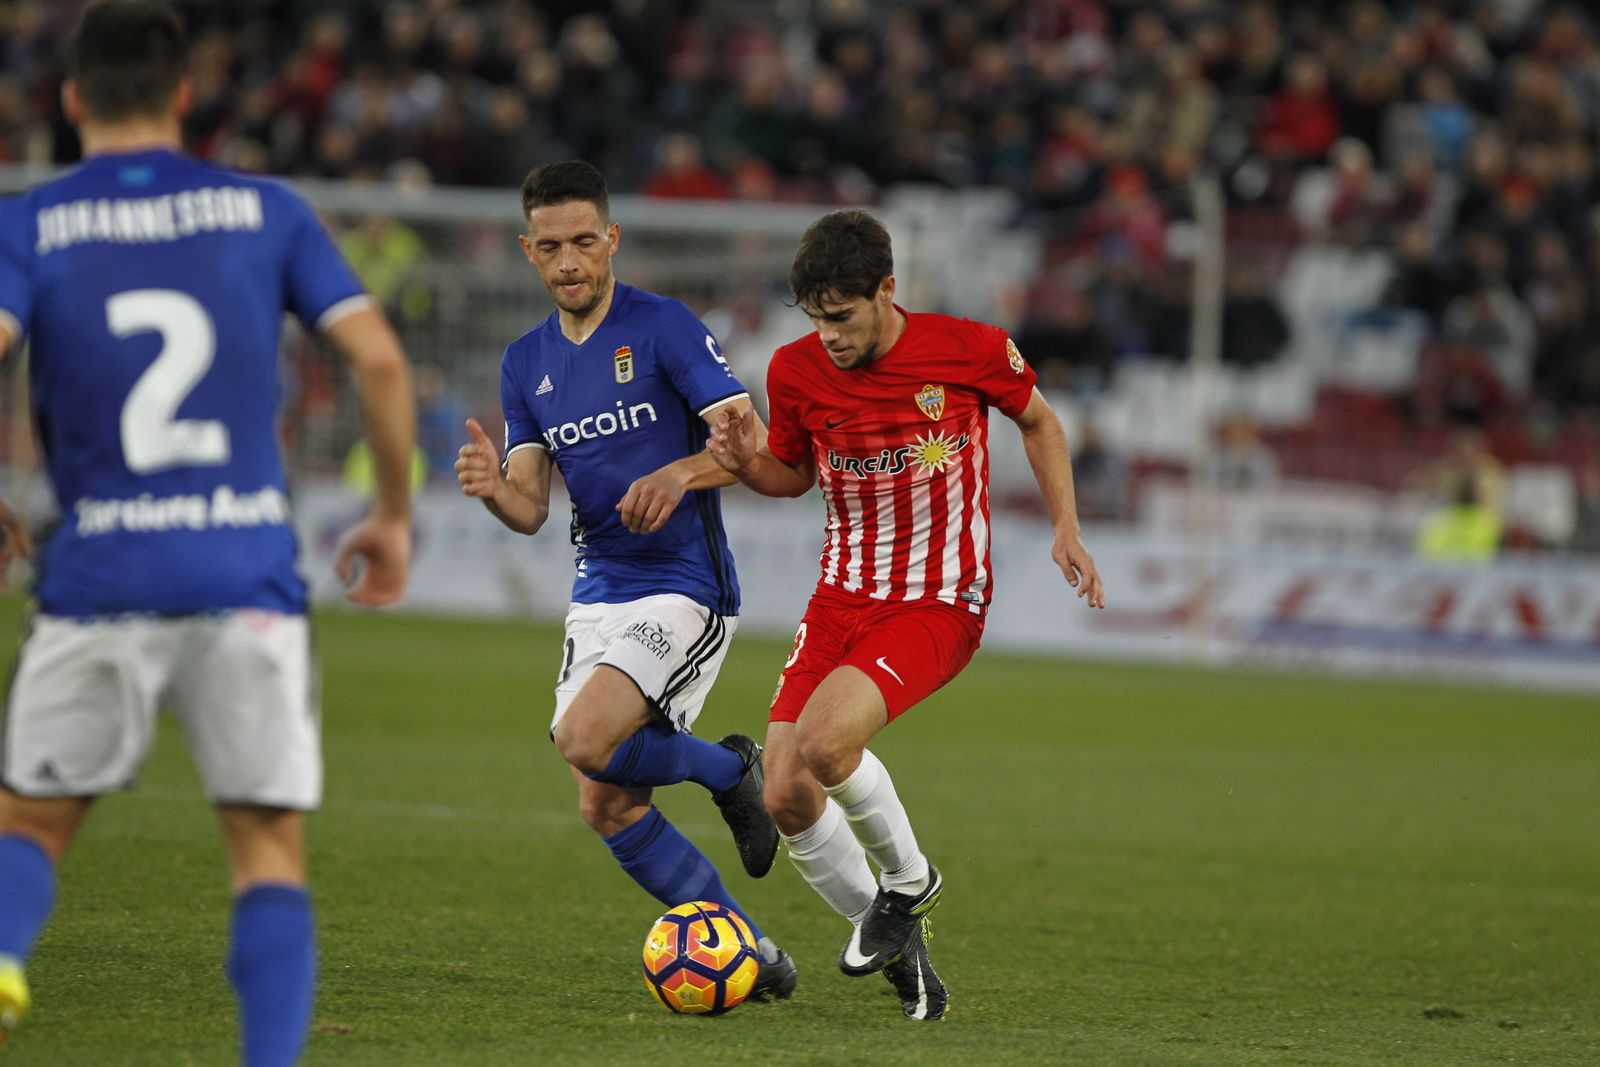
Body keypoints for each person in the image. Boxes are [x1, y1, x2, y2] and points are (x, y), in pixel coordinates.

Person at [0, 3, 415, 1063]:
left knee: (33, 824)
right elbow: (376, 360)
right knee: (265, 845)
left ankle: (6, 952)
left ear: (72, 99)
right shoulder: (264, 209)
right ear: (186, 96)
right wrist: (393, 515)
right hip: (243, 572)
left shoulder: (32, 223)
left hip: (100, 571)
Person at [707, 209, 1105, 1021]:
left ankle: (910, 882)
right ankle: (897, 942)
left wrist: (1065, 523)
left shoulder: (969, 348)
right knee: (784, 790)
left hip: (937, 597)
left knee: (824, 743)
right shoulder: (793, 371)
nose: (829, 336)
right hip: (839, 599)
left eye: (843, 317)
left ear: (888, 290)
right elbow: (791, 475)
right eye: (815, 319)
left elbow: (1040, 420)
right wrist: (742, 459)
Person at [452, 160, 796, 999]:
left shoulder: (665, 326)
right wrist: (495, 489)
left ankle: (722, 771)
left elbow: (747, 441)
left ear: (611, 239)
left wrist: (678, 474)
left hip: (686, 583)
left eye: (583, 242)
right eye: (550, 247)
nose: (569, 262)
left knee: (583, 738)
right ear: (527, 251)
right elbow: (532, 507)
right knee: (603, 803)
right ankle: (753, 952)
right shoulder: (524, 362)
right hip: (598, 585)